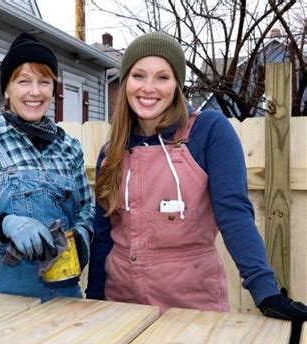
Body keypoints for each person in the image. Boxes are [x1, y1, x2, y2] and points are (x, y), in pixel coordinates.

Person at [85, 32, 307, 321]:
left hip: (192, 309)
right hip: (122, 309)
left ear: (177, 84)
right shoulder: (111, 151)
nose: (149, 88)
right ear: (126, 81)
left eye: (162, 77)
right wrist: (94, 303)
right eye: (139, 75)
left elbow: (234, 214)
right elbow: (103, 235)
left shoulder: (208, 131)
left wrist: (266, 293)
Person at [0, 32, 94, 302]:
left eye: (44, 82)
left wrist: (82, 238)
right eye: (23, 81)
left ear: (53, 89)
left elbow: (86, 209)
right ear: (7, 89)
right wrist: (6, 225)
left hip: (64, 296)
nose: (35, 92)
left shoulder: (69, 148)